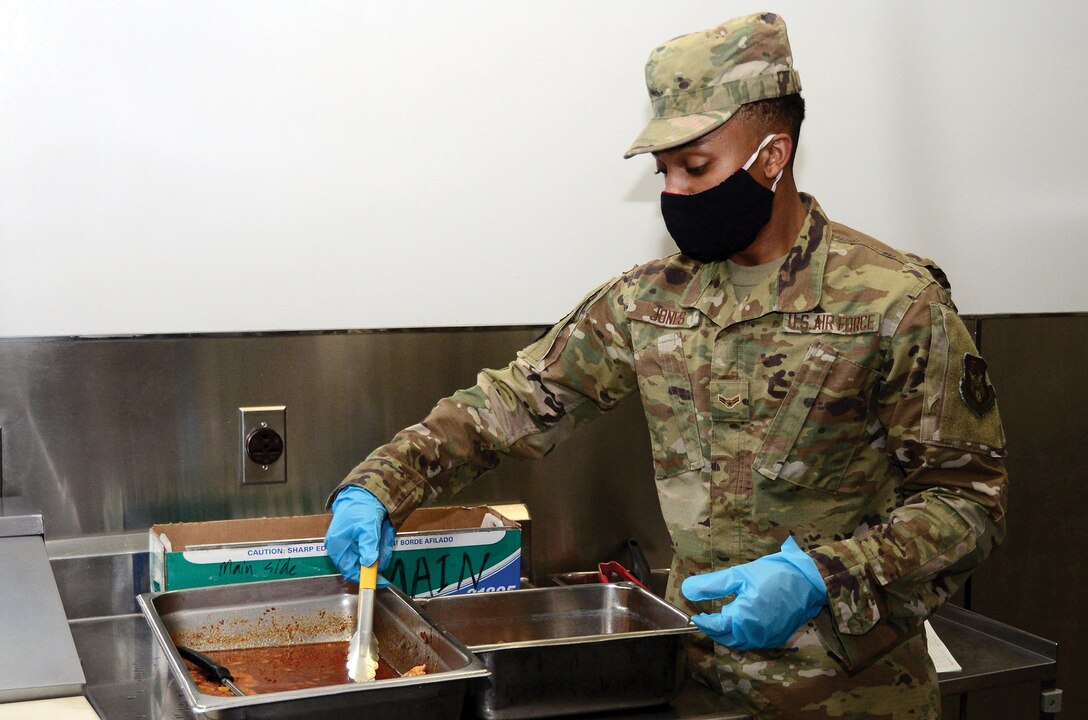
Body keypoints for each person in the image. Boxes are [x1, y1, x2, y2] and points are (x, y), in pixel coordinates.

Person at [325, 12, 1007, 719]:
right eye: (665, 171)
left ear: (773, 156)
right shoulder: (652, 301)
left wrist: (821, 578)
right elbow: (513, 402)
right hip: (692, 684)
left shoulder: (893, 304)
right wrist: (381, 484)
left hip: (853, 698)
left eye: (696, 167)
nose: (675, 191)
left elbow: (969, 503)